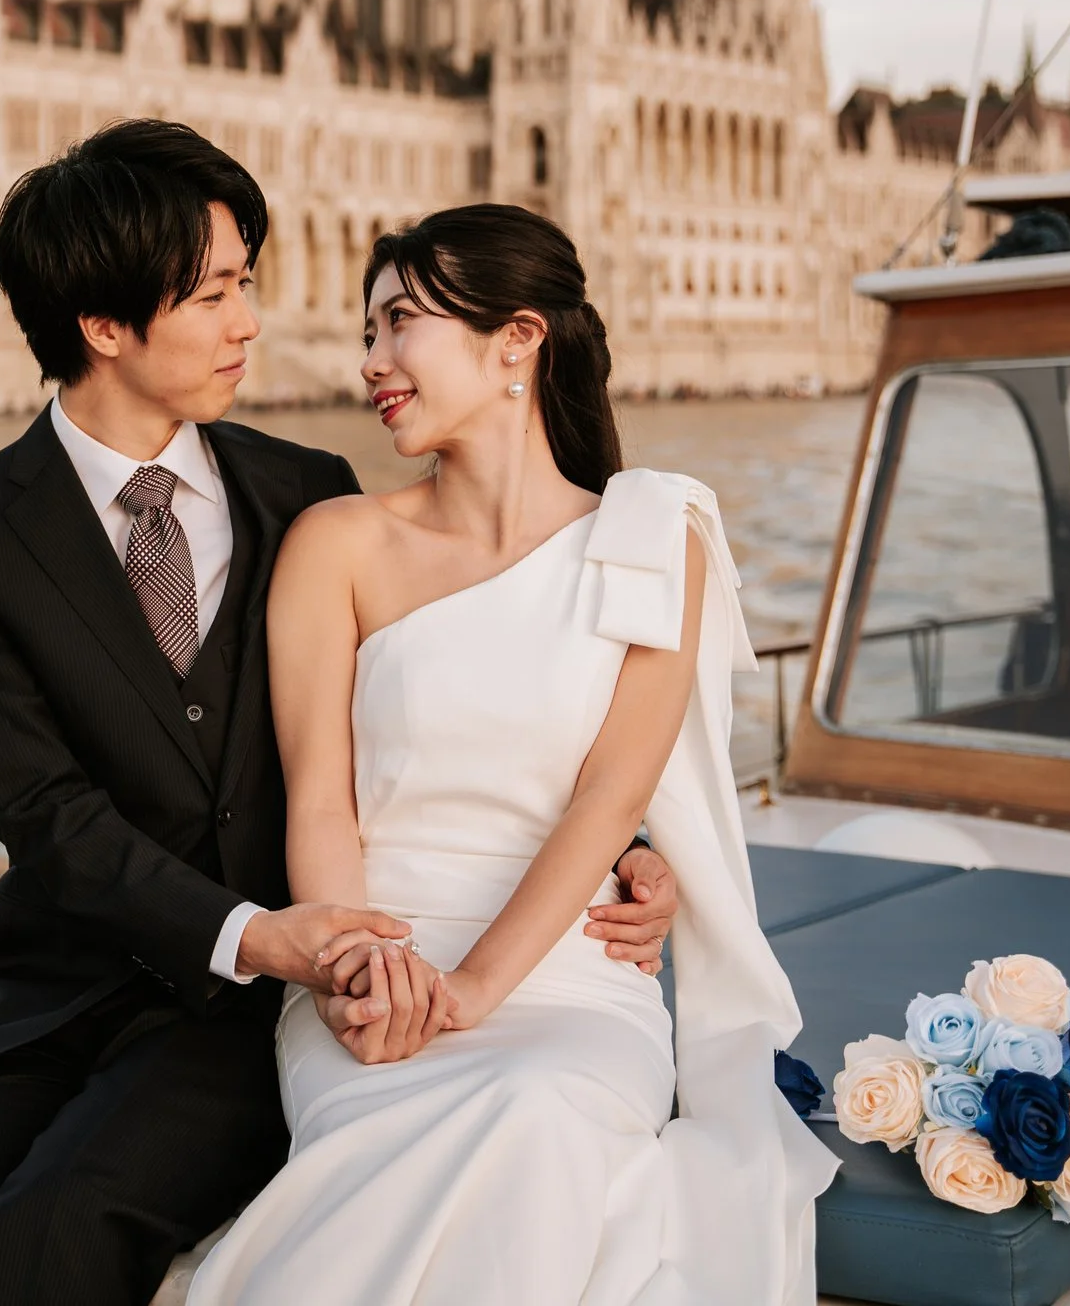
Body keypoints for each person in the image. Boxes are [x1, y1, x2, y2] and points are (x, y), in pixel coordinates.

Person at [0, 125, 679, 1306]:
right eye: (216, 292)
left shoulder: (300, 489)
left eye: (245, 280)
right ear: (102, 324)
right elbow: (44, 815)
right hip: (51, 981)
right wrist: (258, 930)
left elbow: (428, 719)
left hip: (248, 1011)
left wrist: (632, 847)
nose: (250, 319)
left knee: (60, 1231)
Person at [188, 205, 837, 1305]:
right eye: (366, 331)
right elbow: (324, 804)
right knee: (460, 1124)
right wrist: (360, 973)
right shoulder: (337, 541)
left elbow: (604, 800)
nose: (369, 361)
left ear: (516, 340)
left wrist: (475, 991)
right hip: (371, 964)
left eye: (399, 323)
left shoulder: (651, 536)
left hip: (570, 977)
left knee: (536, 1107)